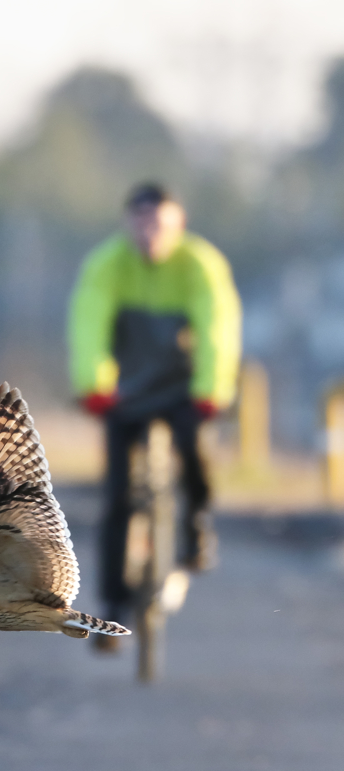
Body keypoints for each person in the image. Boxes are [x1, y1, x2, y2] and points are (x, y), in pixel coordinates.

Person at [67, 182, 241, 630]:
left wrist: (212, 389)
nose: (150, 234)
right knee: (118, 496)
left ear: (179, 225)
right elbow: (88, 324)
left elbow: (217, 326)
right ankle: (112, 608)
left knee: (195, 452)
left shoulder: (200, 264)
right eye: (141, 223)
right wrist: (94, 384)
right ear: (128, 223)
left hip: (184, 388)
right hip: (127, 392)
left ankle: (196, 527)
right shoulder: (107, 265)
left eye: (160, 224)